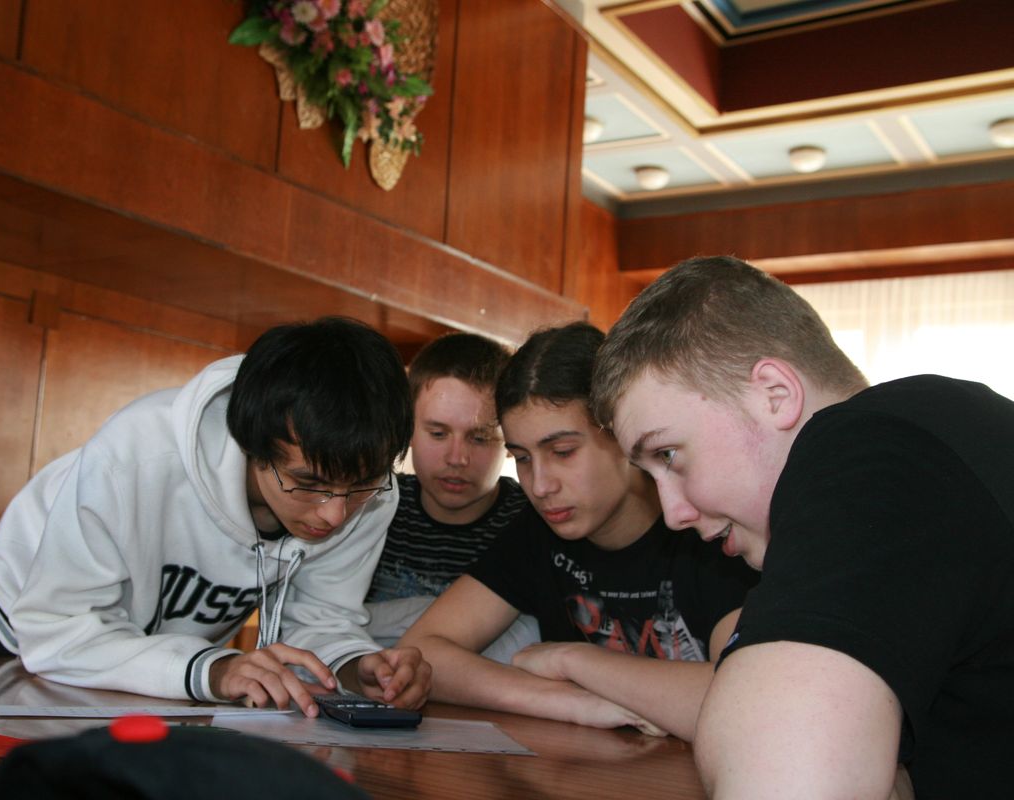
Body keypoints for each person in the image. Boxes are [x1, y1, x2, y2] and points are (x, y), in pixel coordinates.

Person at [592, 255, 1014, 799]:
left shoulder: (872, 445)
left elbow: (784, 776)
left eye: (669, 454)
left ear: (775, 394)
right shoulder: (944, 439)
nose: (673, 513)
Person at [0, 317, 431, 716]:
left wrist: (355, 668)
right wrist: (212, 668)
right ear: (252, 445)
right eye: (307, 482)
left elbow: (321, 620)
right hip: (33, 619)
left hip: (164, 652)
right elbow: (57, 632)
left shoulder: (373, 495)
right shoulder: (136, 456)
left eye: (360, 485)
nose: (335, 514)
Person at [399, 322, 757, 737]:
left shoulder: (708, 530)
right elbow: (421, 652)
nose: (540, 485)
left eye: (563, 452)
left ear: (623, 434)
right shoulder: (537, 532)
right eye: (522, 458)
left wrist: (572, 661)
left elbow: (749, 698)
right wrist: (565, 701)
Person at [363, 332, 537, 661]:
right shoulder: (369, 507)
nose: (457, 458)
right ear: (407, 429)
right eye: (438, 433)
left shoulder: (535, 525)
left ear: (510, 440)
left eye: (480, 437)